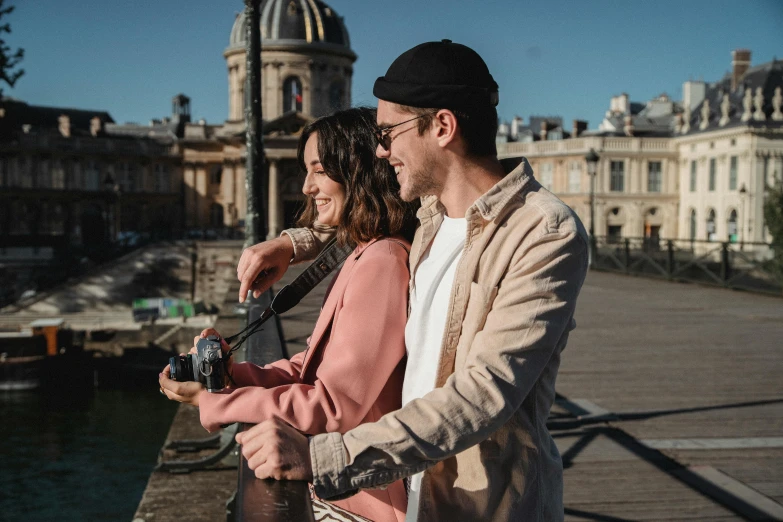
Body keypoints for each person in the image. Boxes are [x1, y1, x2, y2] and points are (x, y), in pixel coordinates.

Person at [234, 40, 589, 522]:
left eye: (389, 132)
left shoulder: (545, 231)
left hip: (486, 504)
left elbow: (483, 393)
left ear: (442, 126)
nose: (381, 150)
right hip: (417, 496)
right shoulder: (430, 216)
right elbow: (359, 211)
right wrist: (293, 243)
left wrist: (323, 456)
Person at [159, 107, 417, 522]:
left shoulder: (382, 260)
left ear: (356, 169)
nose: (306, 186)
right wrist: (235, 375)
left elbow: (334, 406)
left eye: (318, 170)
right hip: (354, 495)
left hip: (363, 505)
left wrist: (215, 403)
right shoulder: (366, 251)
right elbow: (316, 364)